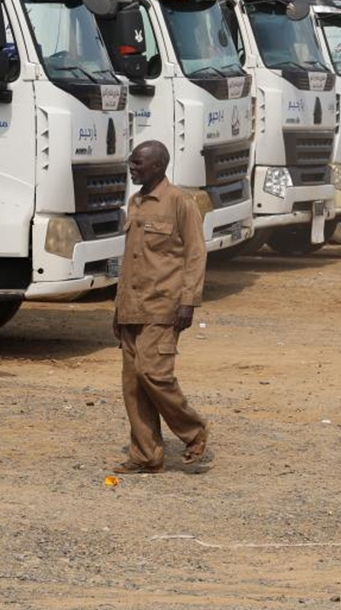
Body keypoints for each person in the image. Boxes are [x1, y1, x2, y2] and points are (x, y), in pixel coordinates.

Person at [111, 140, 210, 474]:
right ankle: (146, 456)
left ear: (158, 166)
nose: (132, 167)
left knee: (154, 374)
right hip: (131, 308)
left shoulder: (180, 202)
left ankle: (193, 431)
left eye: (138, 163)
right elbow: (130, 260)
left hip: (164, 306)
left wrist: (188, 302)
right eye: (131, 161)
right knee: (133, 385)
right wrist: (117, 308)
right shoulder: (135, 202)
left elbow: (196, 254)